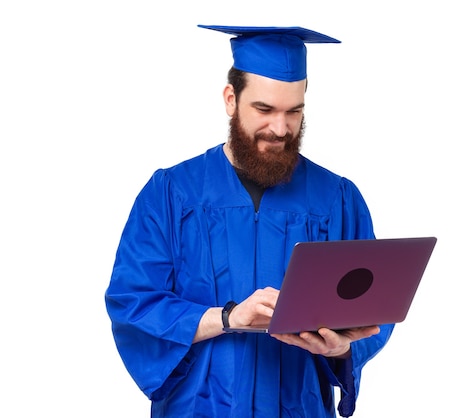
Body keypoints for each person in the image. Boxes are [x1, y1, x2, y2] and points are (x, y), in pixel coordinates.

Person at [105, 25, 394, 418]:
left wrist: (341, 347)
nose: (280, 129)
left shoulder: (336, 200)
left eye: (294, 112)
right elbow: (133, 303)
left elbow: (370, 309)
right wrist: (227, 318)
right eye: (264, 110)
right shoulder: (172, 193)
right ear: (230, 99)